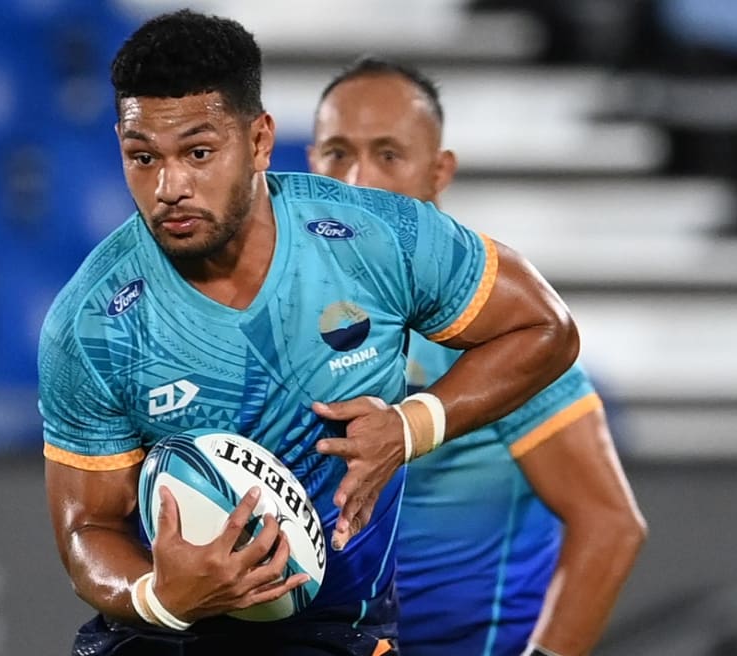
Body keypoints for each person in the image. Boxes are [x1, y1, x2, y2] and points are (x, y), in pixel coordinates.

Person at [39, 11, 581, 656]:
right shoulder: (91, 319)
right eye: (142, 158)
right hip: (163, 636)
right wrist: (158, 595)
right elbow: (87, 528)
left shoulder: (378, 239)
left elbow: (545, 327)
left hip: (335, 633)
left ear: (261, 140)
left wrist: (412, 426)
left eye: (200, 152)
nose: (170, 186)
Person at [309, 56, 648, 656]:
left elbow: (610, 524)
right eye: (337, 152)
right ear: (311, 162)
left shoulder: (508, 329)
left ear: (439, 172)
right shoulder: (279, 310)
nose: (357, 180)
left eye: (388, 154)